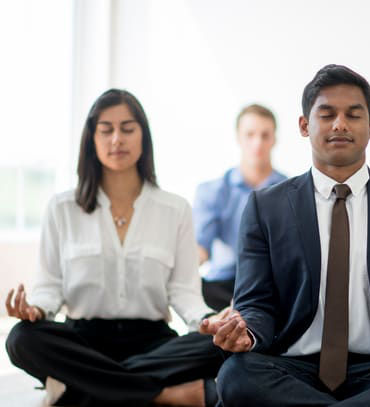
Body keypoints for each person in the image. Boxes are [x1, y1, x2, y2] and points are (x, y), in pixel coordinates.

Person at [201, 64, 370, 406]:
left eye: (353, 115)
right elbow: (256, 304)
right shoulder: (265, 207)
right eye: (327, 114)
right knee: (237, 375)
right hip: (292, 365)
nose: (340, 124)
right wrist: (247, 335)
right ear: (304, 125)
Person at [4, 89, 226, 406]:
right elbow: (49, 286)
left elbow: (185, 292)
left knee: (218, 345)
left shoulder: (175, 209)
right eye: (106, 130)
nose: (116, 139)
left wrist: (209, 320)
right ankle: (163, 395)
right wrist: (35, 309)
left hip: (152, 342)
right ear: (92, 139)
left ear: (143, 136)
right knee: (21, 339)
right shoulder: (62, 207)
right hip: (83, 341)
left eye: (127, 128)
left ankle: (77, 391)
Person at [193, 104, 286, 311]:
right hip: (221, 288)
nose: (257, 143)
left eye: (265, 135)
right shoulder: (212, 191)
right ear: (238, 138)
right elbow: (200, 249)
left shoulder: (290, 192)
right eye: (250, 135)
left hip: (269, 288)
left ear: (274, 139)